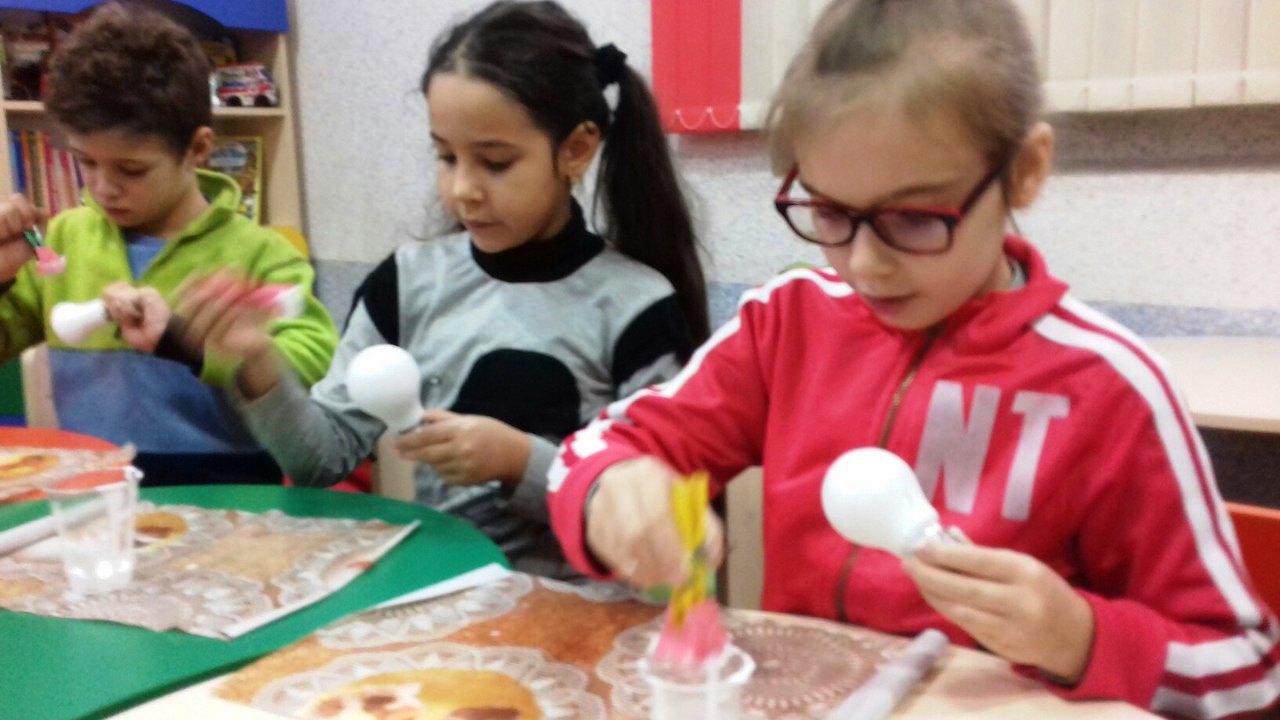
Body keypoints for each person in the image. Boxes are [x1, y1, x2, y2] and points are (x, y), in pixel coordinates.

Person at [547, 0, 1280, 715]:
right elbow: (593, 451)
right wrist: (613, 490)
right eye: (830, 212)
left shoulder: (1106, 387)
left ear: (1025, 170)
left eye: (916, 218)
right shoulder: (788, 323)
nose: (867, 265)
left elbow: (1245, 665)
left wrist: (1080, 636)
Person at [175, 0, 709, 578]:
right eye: (447, 156)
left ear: (575, 150)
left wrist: (519, 461)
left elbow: (658, 512)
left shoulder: (635, 306)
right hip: (445, 601)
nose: (463, 190)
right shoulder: (407, 283)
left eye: (496, 162)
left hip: (586, 612)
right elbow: (320, 461)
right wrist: (257, 362)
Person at [0, 4, 337, 486]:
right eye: (85, 162)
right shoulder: (61, 241)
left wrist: (203, 348)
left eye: (131, 169)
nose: (104, 188)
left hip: (230, 498)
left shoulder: (261, 253)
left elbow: (313, 363)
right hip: (99, 498)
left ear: (198, 149)